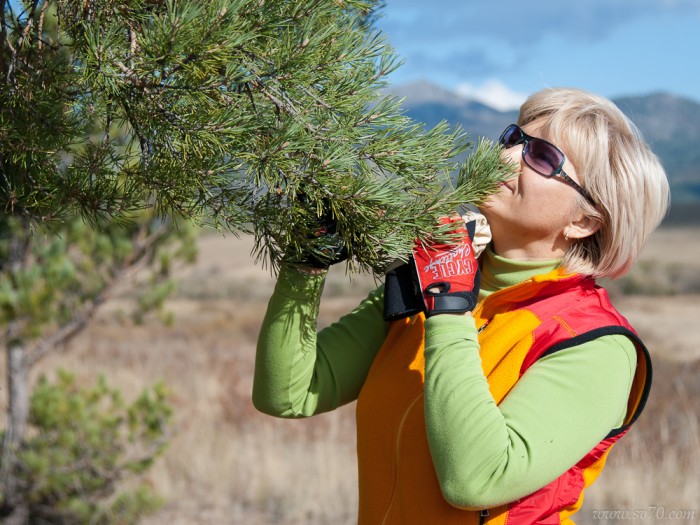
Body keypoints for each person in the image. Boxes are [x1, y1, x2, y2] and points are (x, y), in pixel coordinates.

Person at [252, 87, 670, 524]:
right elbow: (287, 393)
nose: (506, 157)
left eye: (542, 158)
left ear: (583, 221)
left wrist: (449, 309)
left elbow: (477, 480)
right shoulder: (430, 279)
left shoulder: (594, 344)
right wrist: (306, 266)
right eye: (514, 139)